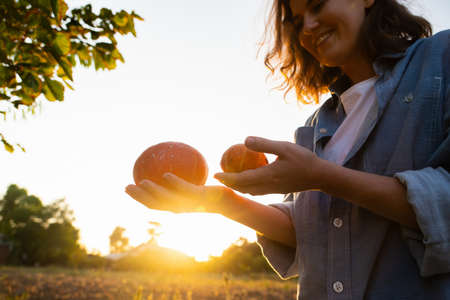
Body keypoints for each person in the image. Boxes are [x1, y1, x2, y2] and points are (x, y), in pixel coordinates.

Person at [126, 0, 450, 298]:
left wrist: (322, 176)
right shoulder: (319, 123)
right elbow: (316, 231)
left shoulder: (441, 59)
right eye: (296, 22)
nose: (307, 27)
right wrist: (219, 201)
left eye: (317, 5)